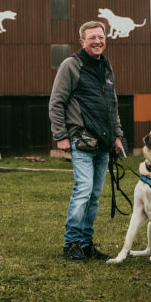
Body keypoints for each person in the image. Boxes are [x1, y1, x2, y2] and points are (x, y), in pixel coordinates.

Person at [49, 21, 124, 262]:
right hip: (81, 141)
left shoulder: (106, 66)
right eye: (92, 37)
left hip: (103, 144)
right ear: (82, 42)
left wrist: (117, 136)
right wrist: (60, 136)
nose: (97, 41)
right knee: (82, 191)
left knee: (93, 196)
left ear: (105, 39)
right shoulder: (71, 65)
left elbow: (112, 105)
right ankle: (71, 244)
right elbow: (56, 102)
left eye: (100, 37)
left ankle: (86, 244)